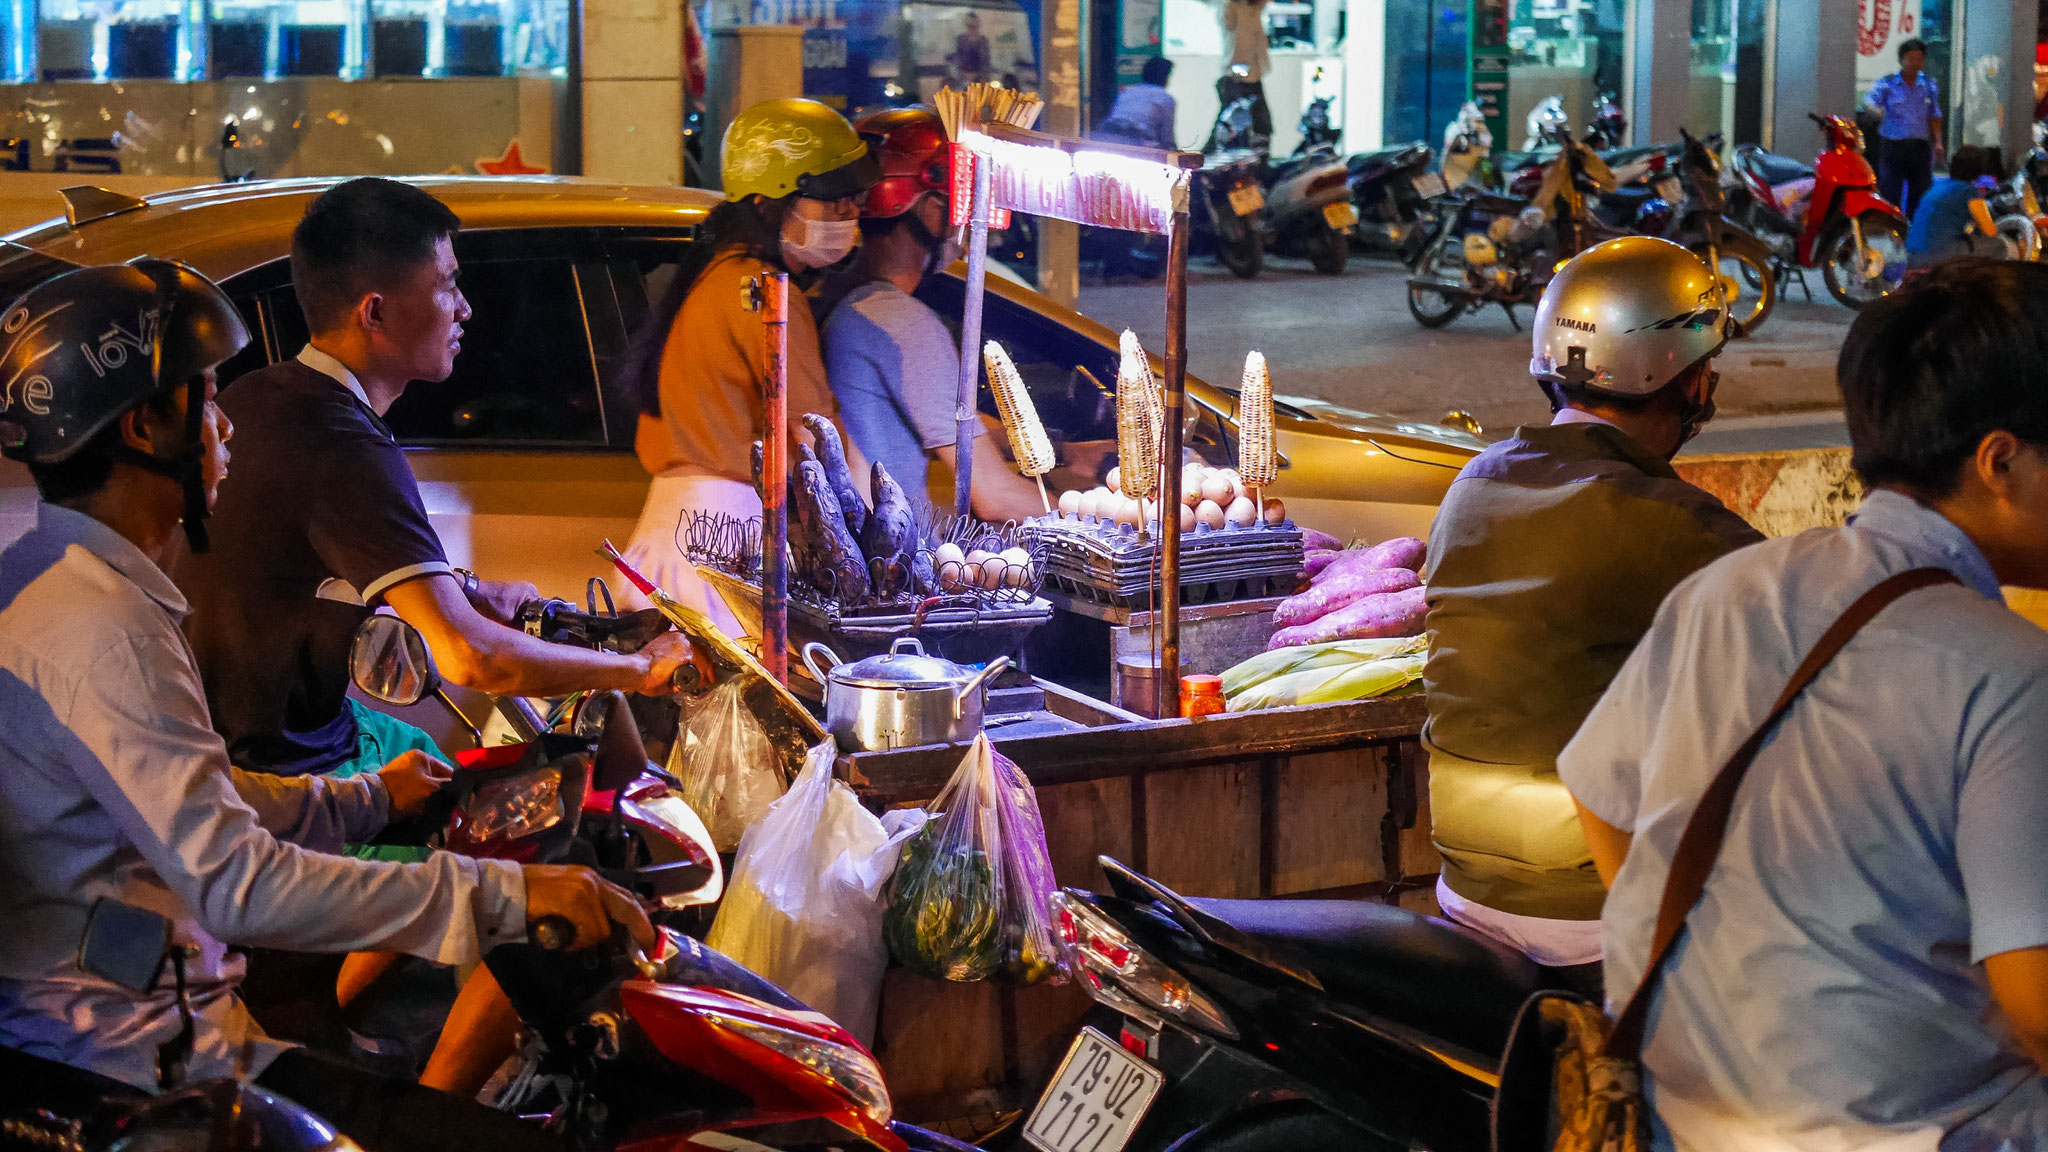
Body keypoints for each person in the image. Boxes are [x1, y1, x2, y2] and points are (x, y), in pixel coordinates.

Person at [0, 258, 651, 1151]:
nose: (225, 428)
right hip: (140, 1078)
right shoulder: (104, 626)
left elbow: (185, 788)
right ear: (146, 425)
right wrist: (503, 895)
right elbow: (236, 883)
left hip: (155, 1040)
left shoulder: (56, 582)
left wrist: (368, 801)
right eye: (205, 399)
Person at [166, 176, 705, 1098]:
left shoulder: (269, 402)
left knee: (446, 775)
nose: (465, 306)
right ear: (377, 309)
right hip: (279, 770)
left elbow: (347, 580)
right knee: (546, 863)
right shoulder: (345, 443)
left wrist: (469, 591)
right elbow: (474, 660)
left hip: (247, 744)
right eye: (448, 283)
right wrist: (638, 668)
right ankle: (442, 1106)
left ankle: (335, 1008)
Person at [1559, 259, 2048, 1148]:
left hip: (1675, 1119)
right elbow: (2037, 1005)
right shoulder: (2014, 672)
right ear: (2001, 462)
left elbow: (1602, 800)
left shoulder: (1729, 590)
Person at [1420, 237, 1762, 984]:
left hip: (1465, 886)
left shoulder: (1472, 486)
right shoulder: (1674, 521)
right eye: (1706, 371)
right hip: (1588, 912)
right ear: (1685, 379)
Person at [617, 98, 878, 632]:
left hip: (677, 534)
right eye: (833, 203)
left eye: (854, 202)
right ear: (767, 203)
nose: (849, 217)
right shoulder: (766, 293)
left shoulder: (719, 276)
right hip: (725, 542)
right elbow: (815, 440)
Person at [822, 107, 1044, 522]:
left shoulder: (845, 302)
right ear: (928, 208)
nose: (968, 226)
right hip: (891, 565)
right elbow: (995, 497)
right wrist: (1105, 525)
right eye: (960, 204)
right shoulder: (902, 322)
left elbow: (941, 419)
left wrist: (1060, 447)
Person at [1866, 36, 1944, 214]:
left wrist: (1938, 142)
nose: (1915, 63)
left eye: (1919, 59)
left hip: (1920, 147)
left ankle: (1912, 230)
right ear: (1902, 60)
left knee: (1920, 192)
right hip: (1893, 146)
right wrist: (1875, 111)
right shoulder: (1888, 84)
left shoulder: (1929, 86)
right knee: (1890, 192)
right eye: (1911, 59)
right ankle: (1892, 230)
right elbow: (1869, 101)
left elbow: (1935, 115)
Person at [1906, 143, 2003, 268]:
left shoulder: (1937, 186)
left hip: (1911, 255)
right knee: (1999, 245)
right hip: (1937, 256)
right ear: (1979, 170)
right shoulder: (1968, 191)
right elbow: (1990, 231)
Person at [1216, 0, 1271, 147]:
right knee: (1230, 126)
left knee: (1262, 126)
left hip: (1253, 75)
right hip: (1236, 78)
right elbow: (1227, 19)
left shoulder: (1255, 9)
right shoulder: (1232, 7)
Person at [1096, 57, 1178, 150]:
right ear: (1165, 76)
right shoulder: (1165, 98)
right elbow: (1167, 136)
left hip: (1108, 137)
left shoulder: (1129, 91)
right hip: (1140, 143)